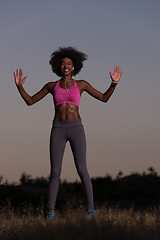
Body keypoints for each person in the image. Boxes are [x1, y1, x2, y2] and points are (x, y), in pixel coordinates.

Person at [13, 47, 122, 219]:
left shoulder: (82, 84)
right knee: (55, 172)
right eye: (63, 63)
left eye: (69, 64)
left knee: (82, 169)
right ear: (58, 66)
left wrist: (114, 83)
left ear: (74, 67)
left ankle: (91, 210)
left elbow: (104, 98)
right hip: (58, 129)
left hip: (76, 128)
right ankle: (50, 212)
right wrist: (19, 87)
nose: (66, 66)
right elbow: (30, 101)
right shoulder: (51, 86)